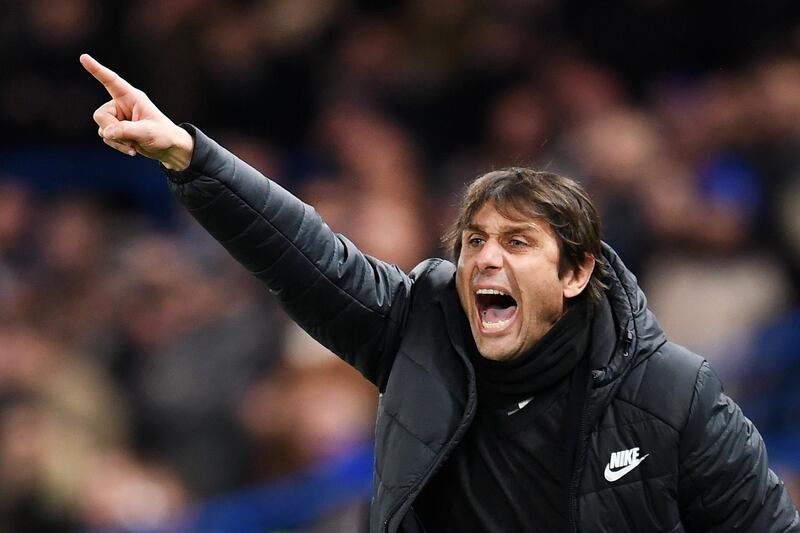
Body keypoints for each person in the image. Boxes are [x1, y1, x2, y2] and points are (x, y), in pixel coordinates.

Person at [80, 53, 800, 532]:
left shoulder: (675, 394)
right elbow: (307, 254)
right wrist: (189, 155)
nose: (485, 259)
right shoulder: (420, 324)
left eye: (518, 242)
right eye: (474, 240)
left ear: (576, 272)